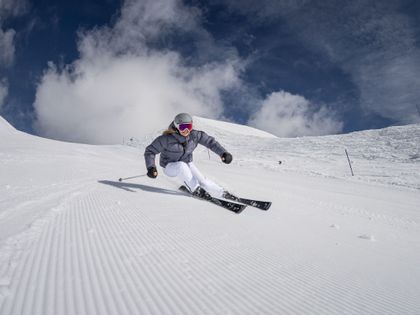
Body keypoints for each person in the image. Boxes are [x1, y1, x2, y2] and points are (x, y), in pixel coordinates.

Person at [144, 113, 232, 198]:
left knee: (202, 180)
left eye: (188, 127)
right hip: (169, 167)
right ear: (176, 127)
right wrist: (151, 167)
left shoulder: (195, 135)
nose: (186, 131)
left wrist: (223, 153)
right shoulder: (166, 139)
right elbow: (150, 151)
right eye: (183, 127)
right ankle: (196, 189)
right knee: (181, 166)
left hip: (187, 162)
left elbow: (210, 142)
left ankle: (221, 192)